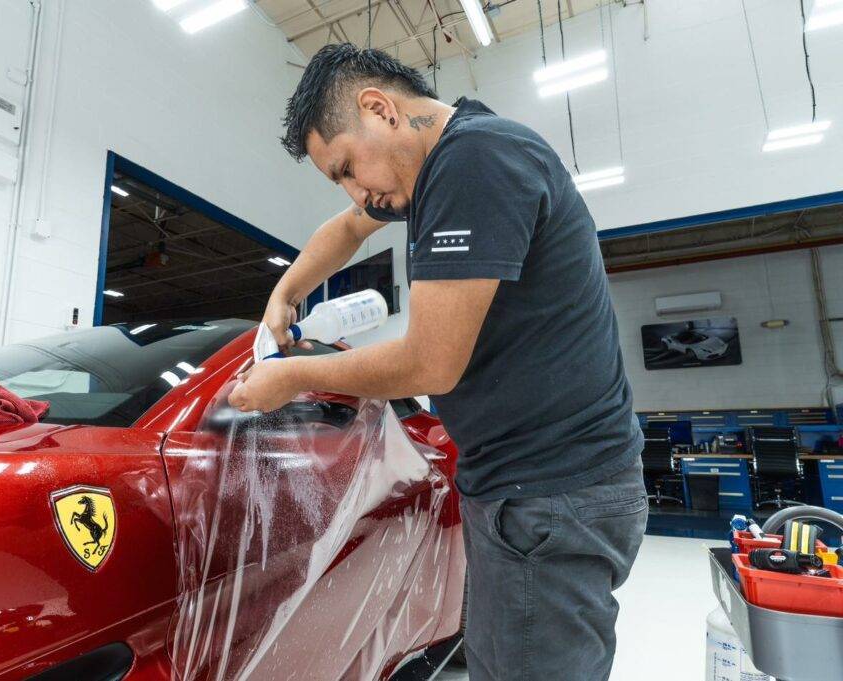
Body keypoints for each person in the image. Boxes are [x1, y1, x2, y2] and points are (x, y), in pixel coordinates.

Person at [228, 43, 647, 681]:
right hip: (525, 488)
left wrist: (292, 375)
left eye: (346, 166)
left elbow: (429, 365)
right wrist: (284, 292)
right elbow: (345, 228)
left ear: (379, 110)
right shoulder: (437, 160)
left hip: (551, 493)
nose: (356, 190)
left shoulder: (476, 160)